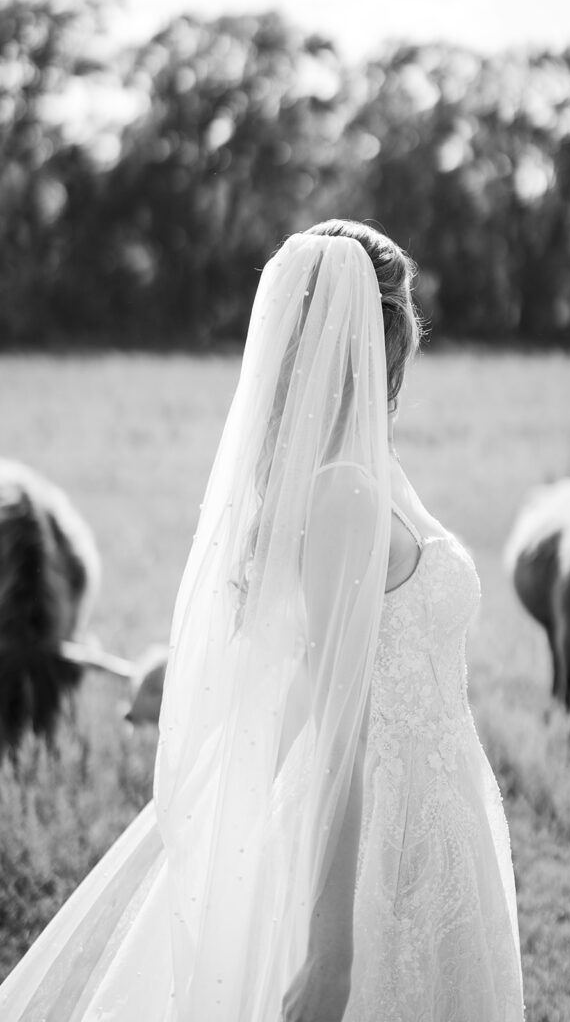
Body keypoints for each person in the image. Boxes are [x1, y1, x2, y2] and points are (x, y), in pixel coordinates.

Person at [0, 222, 524, 1021]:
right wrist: (331, 950)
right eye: (406, 323)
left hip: (434, 814)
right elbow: (342, 731)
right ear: (383, 336)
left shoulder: (367, 472)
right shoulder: (345, 491)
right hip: (383, 841)